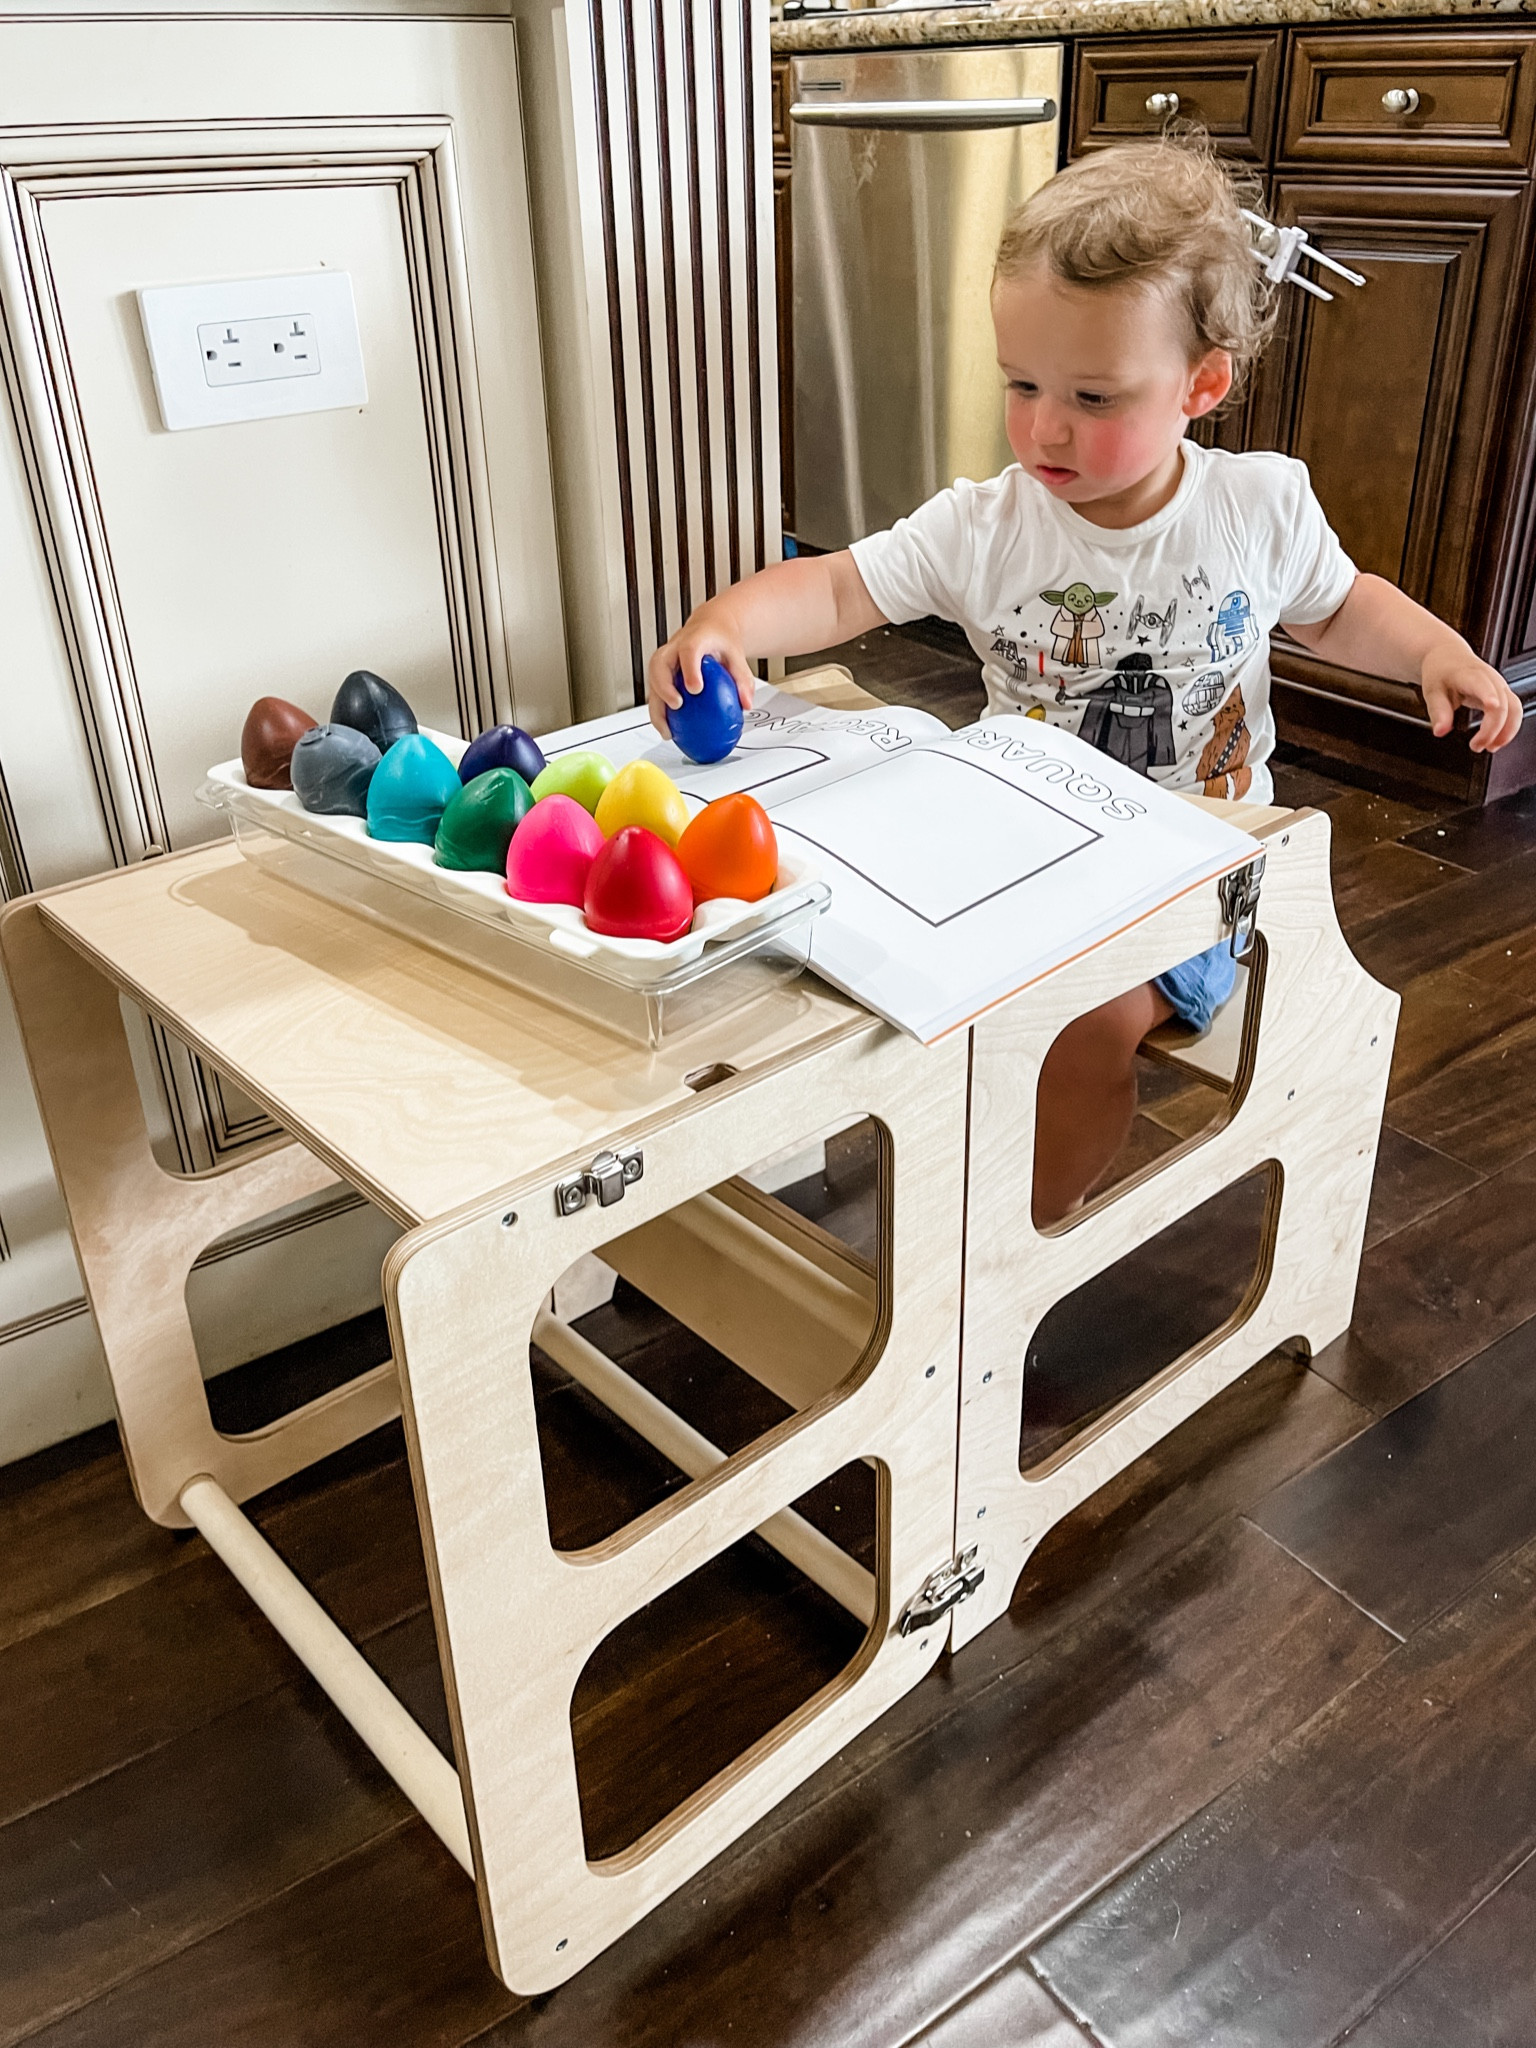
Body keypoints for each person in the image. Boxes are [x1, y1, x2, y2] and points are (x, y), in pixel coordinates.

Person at [646, 136, 1523, 1225]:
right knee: (844, 949)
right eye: (1022, 384)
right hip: (1016, 856)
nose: (1045, 426)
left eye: (1095, 397)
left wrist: (1438, 651)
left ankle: (1012, 1246)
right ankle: (904, 1181)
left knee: (1081, 1018)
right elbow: (836, 592)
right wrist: (725, 621)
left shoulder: (1253, 508)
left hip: (1192, 875)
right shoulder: (988, 524)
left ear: (1203, 383)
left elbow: (1340, 605)